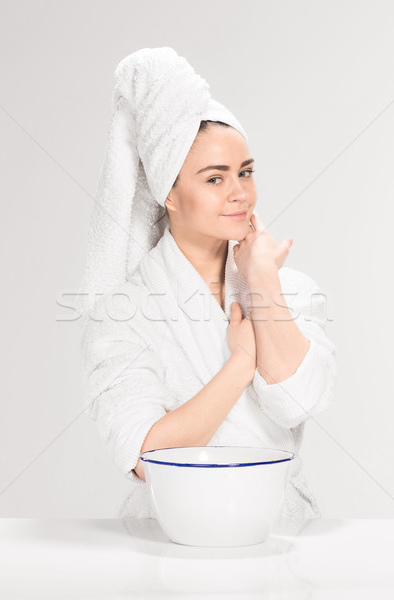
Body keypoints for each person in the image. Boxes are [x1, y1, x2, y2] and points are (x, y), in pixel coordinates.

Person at [77, 48, 337, 529]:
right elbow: (144, 452)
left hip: (279, 533)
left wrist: (261, 282)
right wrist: (240, 364)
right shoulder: (123, 313)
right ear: (168, 193)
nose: (239, 191)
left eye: (245, 172)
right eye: (215, 178)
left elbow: (300, 399)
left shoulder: (290, 290)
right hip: (171, 535)